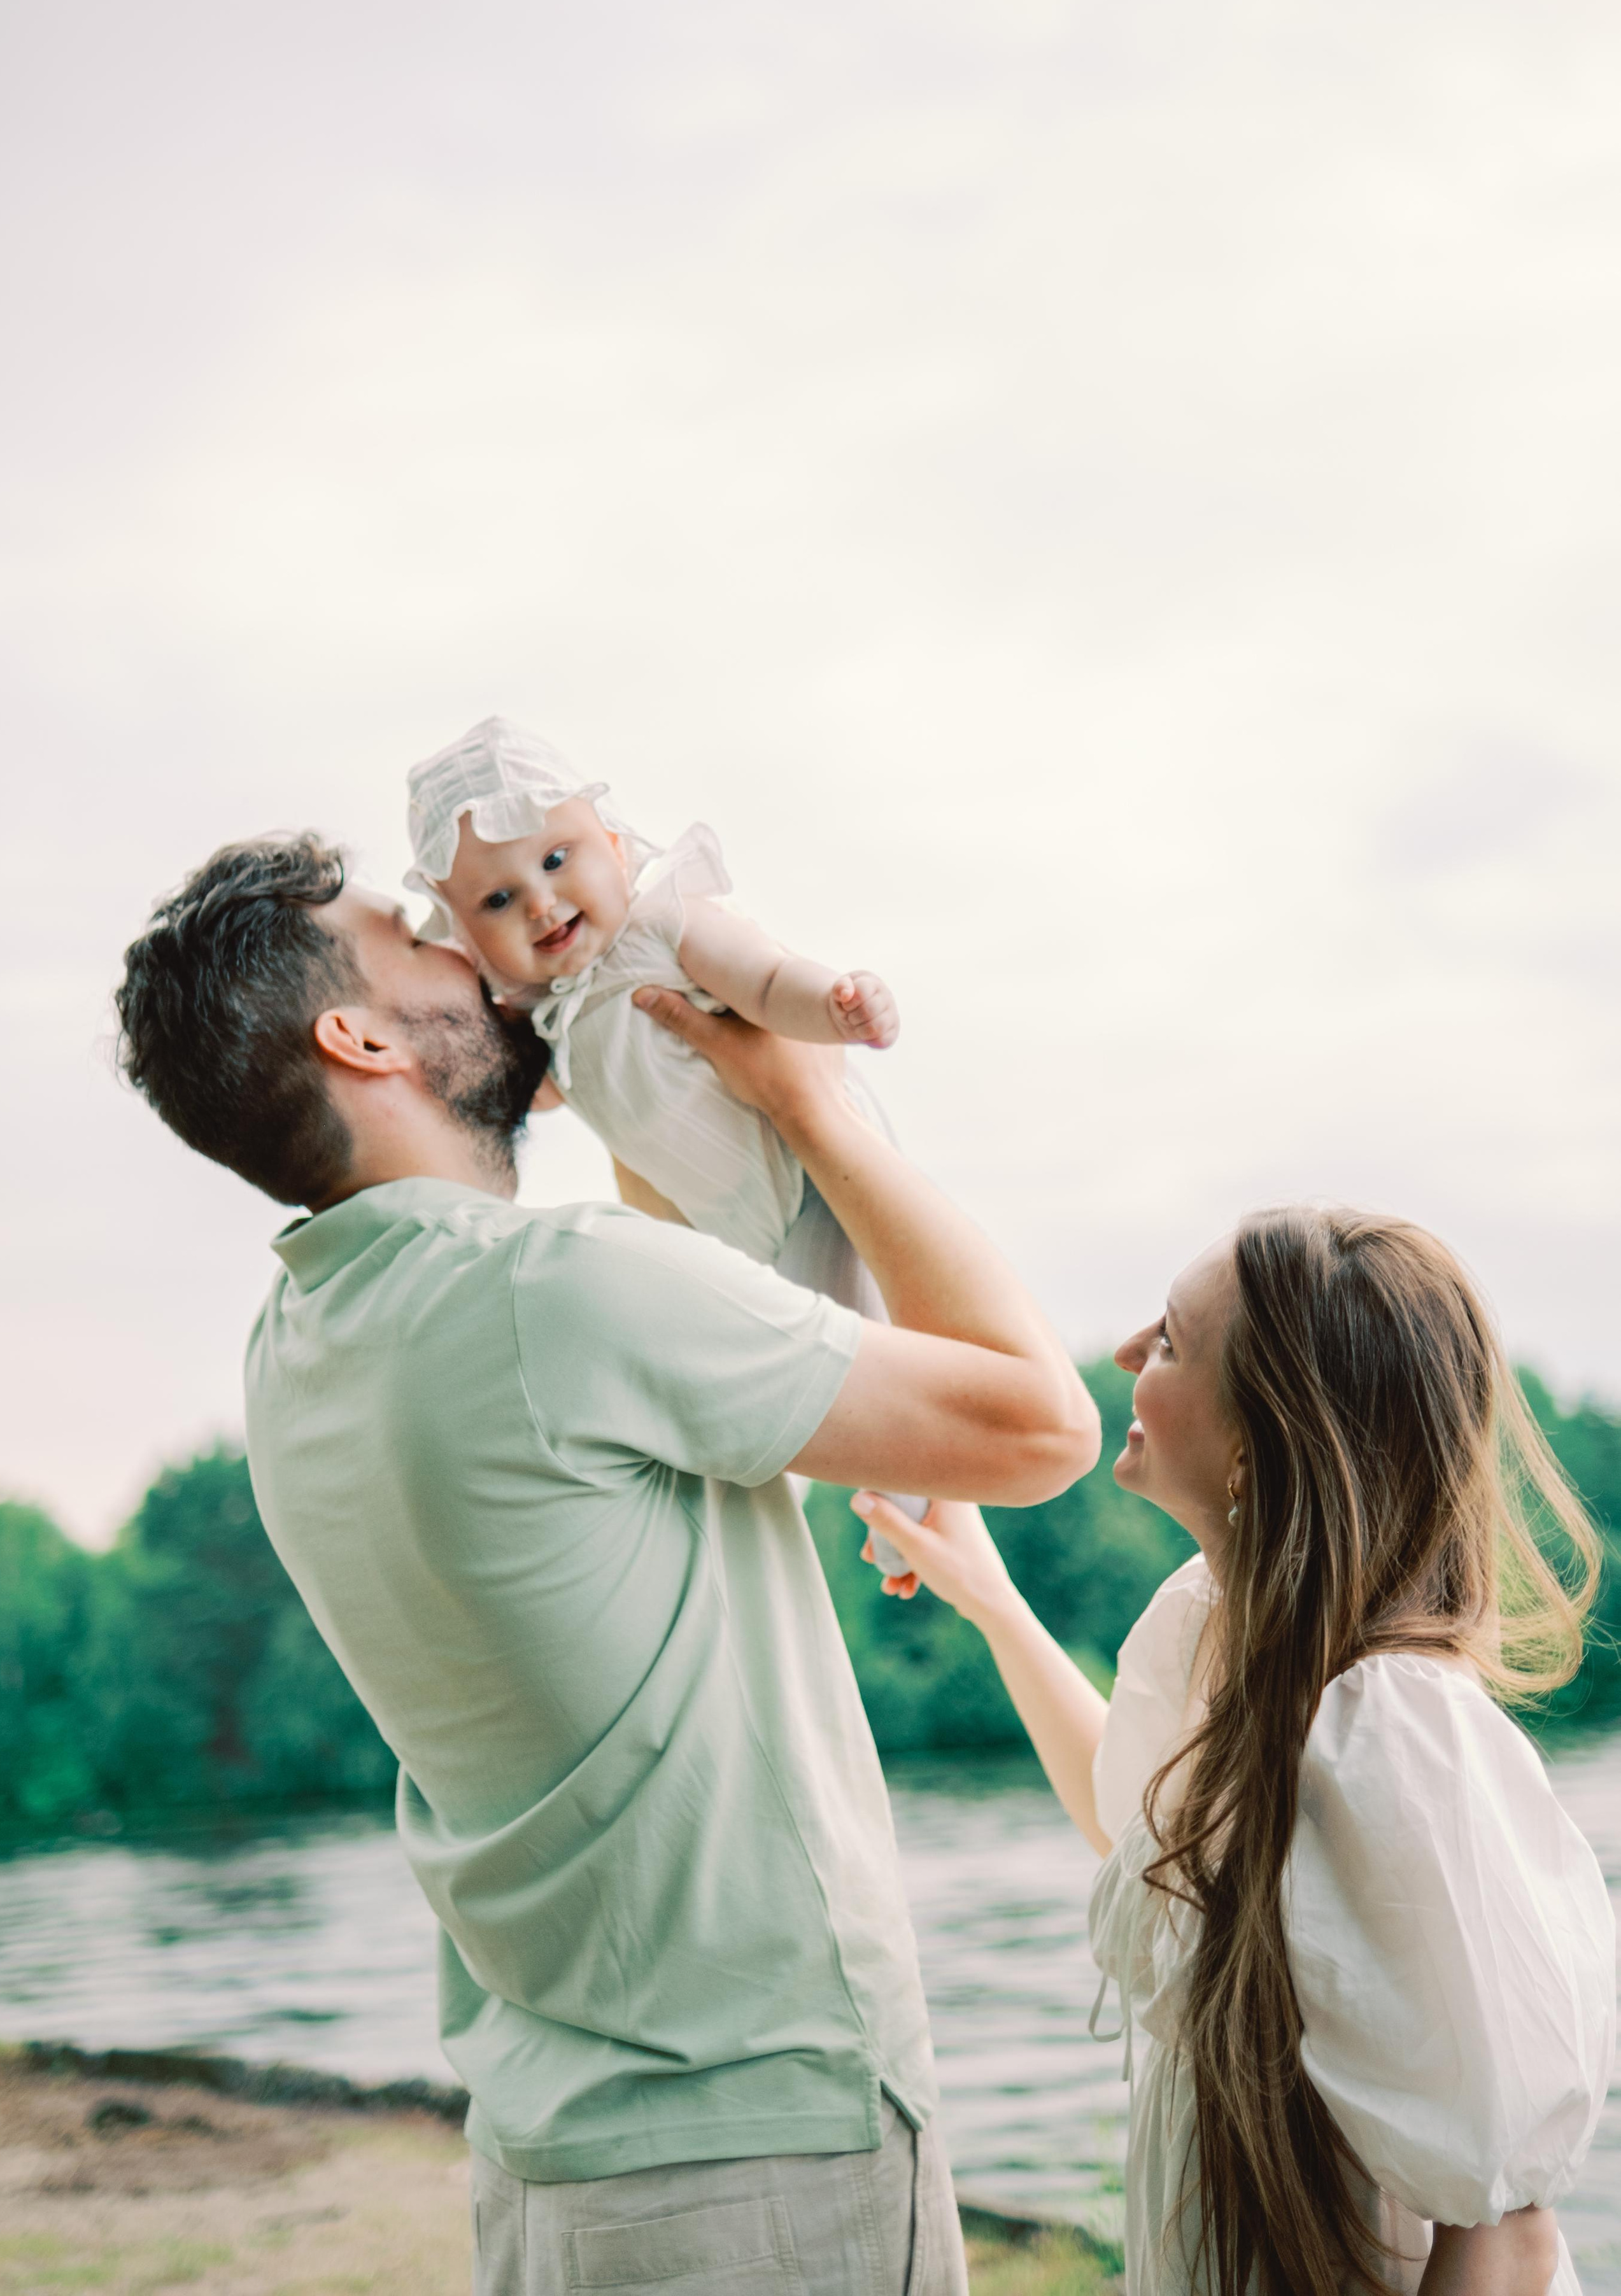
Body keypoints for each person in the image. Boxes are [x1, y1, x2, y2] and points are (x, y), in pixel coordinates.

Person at [114, 831, 1100, 2296]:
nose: (477, 943)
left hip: (558, 2158)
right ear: (361, 1033)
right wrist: (814, 1102)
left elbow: (688, 1332)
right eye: (419, 936)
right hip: (763, 2146)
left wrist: (631, 1074)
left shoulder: (298, 1346)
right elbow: (1040, 1427)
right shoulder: (554, 1293)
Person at [858, 1210, 1616, 2296]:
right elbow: (1141, 1833)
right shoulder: (1235, 1652)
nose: (1124, 1353)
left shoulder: (1391, 1732)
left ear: (1257, 1448)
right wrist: (990, 1600)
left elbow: (1504, 2231)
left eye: (1167, 1340)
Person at [403, 714, 930, 1571]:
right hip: (733, 1225)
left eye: (555, 859)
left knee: (863, 1349)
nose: (539, 901)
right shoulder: (549, 1013)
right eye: (497, 900)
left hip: (810, 1179)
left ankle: (908, 1515)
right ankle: (821, 1514)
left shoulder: (662, 930)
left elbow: (763, 979)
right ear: (466, 935)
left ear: (613, 843)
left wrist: (832, 1003)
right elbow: (532, 1095)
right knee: (760, 1372)